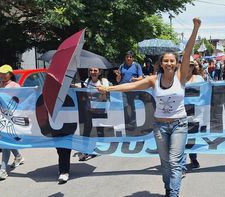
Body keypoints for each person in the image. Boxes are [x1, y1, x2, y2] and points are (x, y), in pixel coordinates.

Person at [98, 18, 201, 197]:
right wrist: (109, 88)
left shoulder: (181, 76)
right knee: (165, 163)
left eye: (172, 61)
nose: (169, 63)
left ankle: (173, 194)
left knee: (176, 163)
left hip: (179, 125)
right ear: (161, 63)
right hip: (160, 127)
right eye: (166, 61)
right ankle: (168, 188)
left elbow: (188, 49)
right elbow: (130, 86)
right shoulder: (154, 80)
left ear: (176, 63)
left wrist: (195, 28)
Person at [0, 64, 24, 181]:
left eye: (4, 73)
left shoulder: (15, 85)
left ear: (10, 74)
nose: (1, 75)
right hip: (0, 117)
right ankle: (18, 156)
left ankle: (3, 169)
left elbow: (21, 99)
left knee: (5, 142)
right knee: (8, 140)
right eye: (0, 73)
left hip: (11, 118)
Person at [77, 67, 110, 161]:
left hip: (100, 109)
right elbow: (85, 95)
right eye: (91, 70)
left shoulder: (104, 81)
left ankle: (101, 147)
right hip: (89, 109)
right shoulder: (87, 81)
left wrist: (101, 93)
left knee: (100, 128)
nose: (93, 72)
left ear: (99, 72)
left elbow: (105, 96)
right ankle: (85, 149)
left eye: (95, 70)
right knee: (87, 128)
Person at [114, 51, 143, 127]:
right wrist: (118, 75)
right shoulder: (122, 66)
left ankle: (133, 121)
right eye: (127, 57)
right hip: (123, 89)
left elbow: (141, 77)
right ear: (125, 58)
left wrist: (135, 79)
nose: (128, 58)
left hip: (134, 89)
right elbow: (118, 80)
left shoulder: (137, 66)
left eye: (130, 57)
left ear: (133, 58)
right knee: (124, 105)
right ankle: (126, 120)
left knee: (133, 106)